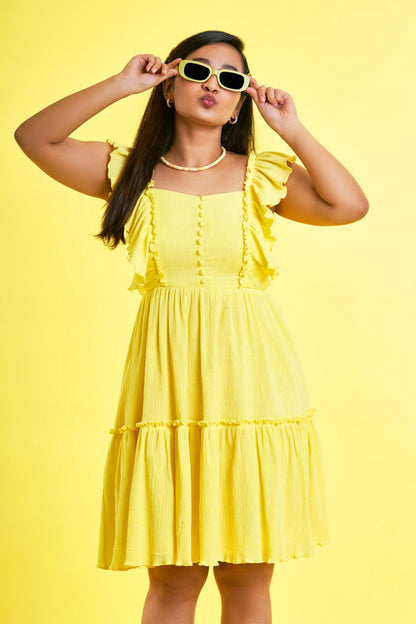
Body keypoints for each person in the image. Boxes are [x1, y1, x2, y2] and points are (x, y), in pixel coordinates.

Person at [14, 29, 368, 624]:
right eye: (199, 71)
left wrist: (294, 129)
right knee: (173, 582)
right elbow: (33, 137)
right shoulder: (126, 173)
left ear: (240, 102)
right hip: (166, 389)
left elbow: (348, 206)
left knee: (247, 580)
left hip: (253, 384)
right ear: (170, 83)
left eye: (231, 79)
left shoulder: (262, 177)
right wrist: (123, 84)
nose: (213, 86)